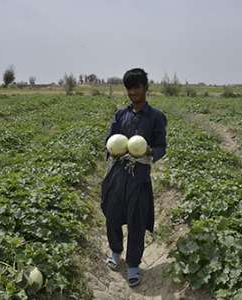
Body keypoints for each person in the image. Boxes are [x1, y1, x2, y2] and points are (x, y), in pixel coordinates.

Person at [100, 68, 167, 287]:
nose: (133, 92)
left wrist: (148, 151)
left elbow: (161, 147)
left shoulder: (156, 117)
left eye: (137, 87)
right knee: (112, 213)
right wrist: (113, 149)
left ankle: (134, 264)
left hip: (139, 175)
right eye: (129, 88)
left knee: (137, 219)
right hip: (118, 172)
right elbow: (110, 139)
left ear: (146, 88)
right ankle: (115, 251)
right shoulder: (121, 115)